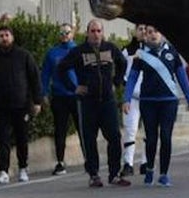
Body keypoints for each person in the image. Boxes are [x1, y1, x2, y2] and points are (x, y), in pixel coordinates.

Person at [57, 19, 130, 188]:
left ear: (102, 32)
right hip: (87, 102)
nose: (96, 34)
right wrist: (73, 87)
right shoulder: (78, 52)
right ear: (87, 33)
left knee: (114, 137)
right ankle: (94, 174)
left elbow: (122, 63)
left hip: (107, 101)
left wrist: (116, 81)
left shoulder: (110, 48)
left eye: (98, 31)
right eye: (92, 31)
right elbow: (61, 69)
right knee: (89, 139)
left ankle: (114, 174)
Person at [124, 25, 189, 187]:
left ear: (162, 33)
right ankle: (149, 169)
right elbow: (132, 78)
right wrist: (127, 99)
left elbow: (182, 77)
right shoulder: (141, 55)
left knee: (166, 137)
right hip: (148, 101)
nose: (153, 34)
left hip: (169, 100)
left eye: (156, 31)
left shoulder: (172, 53)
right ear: (145, 36)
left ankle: (164, 174)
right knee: (151, 138)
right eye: (149, 32)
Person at [0, 25, 42, 184]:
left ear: (12, 37)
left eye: (7, 35)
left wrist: (37, 101)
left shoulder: (24, 56)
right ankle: (3, 171)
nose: (4, 38)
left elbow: (34, 78)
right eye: (1, 35)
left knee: (22, 138)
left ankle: (23, 168)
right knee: (3, 139)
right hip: (0, 107)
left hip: (21, 105)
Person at [40, 22, 81, 176]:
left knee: (83, 128)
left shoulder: (78, 51)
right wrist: (43, 93)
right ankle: (60, 161)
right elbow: (45, 75)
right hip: (59, 96)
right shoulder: (52, 53)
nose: (64, 35)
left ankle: (89, 159)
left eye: (67, 32)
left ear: (73, 34)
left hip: (77, 96)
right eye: (62, 32)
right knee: (60, 130)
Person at [119, 24, 148, 177]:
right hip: (133, 97)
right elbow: (121, 72)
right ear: (134, 31)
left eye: (145, 29)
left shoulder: (152, 50)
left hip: (149, 97)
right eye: (140, 29)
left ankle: (145, 162)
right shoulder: (127, 51)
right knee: (130, 130)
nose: (143, 32)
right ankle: (128, 163)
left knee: (149, 131)